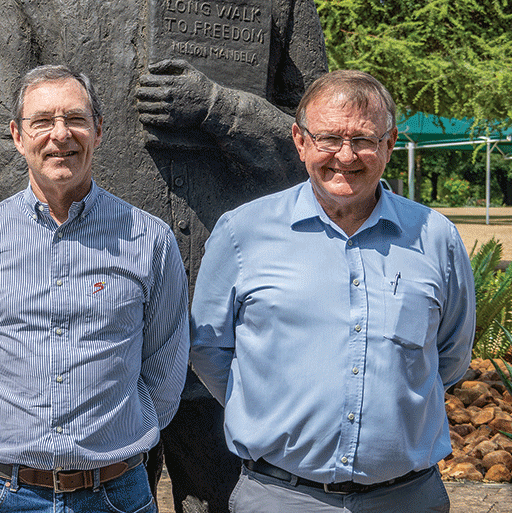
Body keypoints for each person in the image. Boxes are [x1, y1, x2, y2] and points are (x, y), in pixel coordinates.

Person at [0, 0, 327, 508]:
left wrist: (227, 112)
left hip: (235, 348)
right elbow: (7, 181)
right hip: (90, 358)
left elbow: (328, 156)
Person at [189, 70, 475, 512]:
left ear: (389, 144)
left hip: (407, 499)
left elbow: (450, 356)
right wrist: (270, 406)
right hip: (279, 498)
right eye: (328, 138)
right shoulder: (242, 233)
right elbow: (209, 348)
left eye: (363, 139)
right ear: (300, 142)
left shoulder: (436, 238)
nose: (345, 155)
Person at [0, 64, 189, 513]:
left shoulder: (149, 239)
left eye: (75, 119)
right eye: (42, 121)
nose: (60, 134)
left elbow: (165, 371)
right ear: (17, 135)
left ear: (98, 130)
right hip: (2, 495)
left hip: (115, 494)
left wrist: (120, 430)